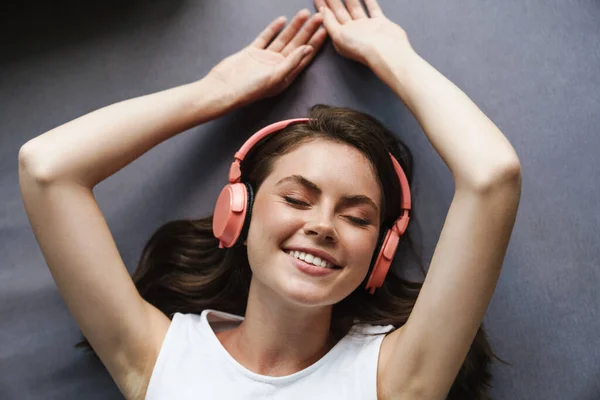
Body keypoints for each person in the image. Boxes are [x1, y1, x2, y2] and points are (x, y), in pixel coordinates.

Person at [18, 0, 522, 399]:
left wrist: (396, 57)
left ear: (380, 253)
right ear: (236, 210)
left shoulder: (393, 379)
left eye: (357, 217)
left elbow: (492, 176)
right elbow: (47, 168)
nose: (324, 225)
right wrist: (212, 92)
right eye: (298, 199)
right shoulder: (157, 356)